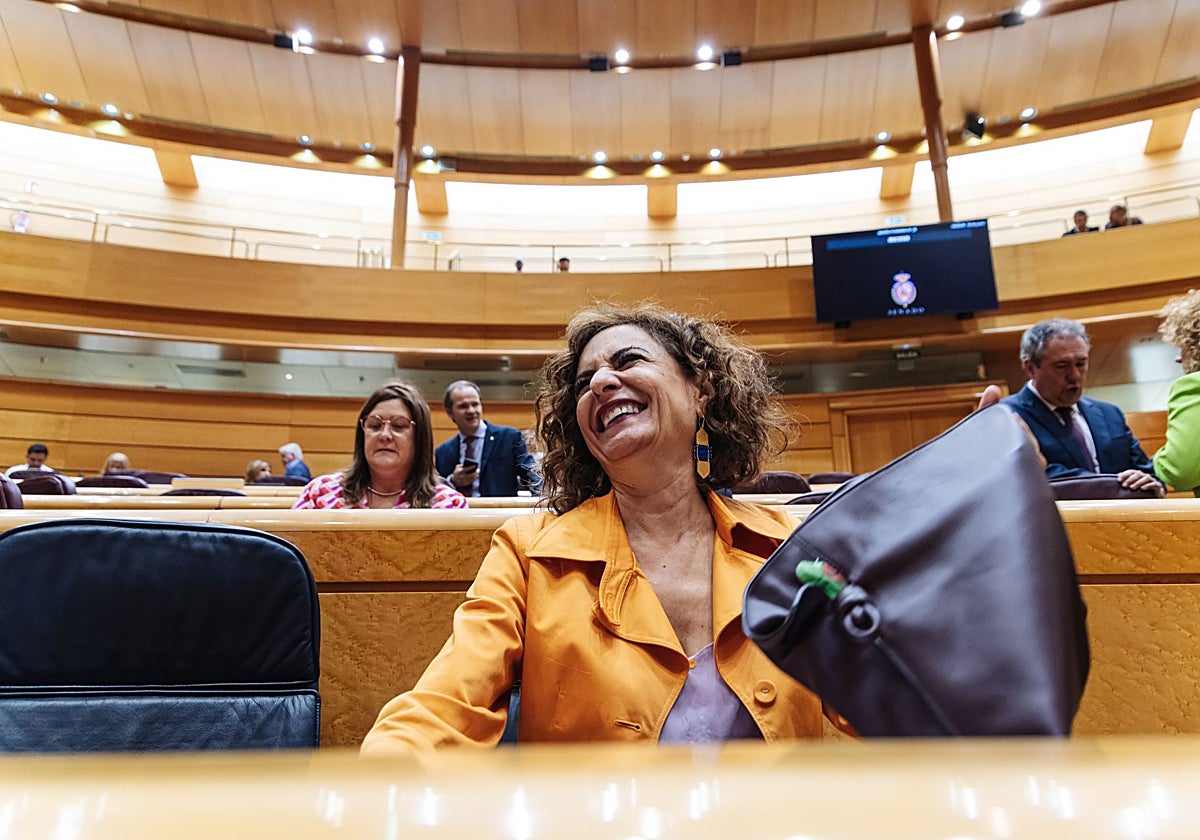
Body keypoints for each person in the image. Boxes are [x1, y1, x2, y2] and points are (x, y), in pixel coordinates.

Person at [362, 303, 825, 754]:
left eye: (628, 361)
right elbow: (444, 706)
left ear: (700, 389)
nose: (601, 383)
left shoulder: (788, 544)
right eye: (585, 383)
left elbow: (883, 699)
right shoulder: (528, 552)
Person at [1002, 318, 1161, 493]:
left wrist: (1150, 483)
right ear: (1030, 368)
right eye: (1062, 366)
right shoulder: (1008, 417)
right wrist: (1117, 486)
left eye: (1081, 363)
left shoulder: (1110, 414)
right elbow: (1042, 478)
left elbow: (1147, 473)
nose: (1075, 375)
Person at [294, 380, 466, 510]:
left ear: (419, 438)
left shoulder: (448, 505)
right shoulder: (320, 492)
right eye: (375, 426)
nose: (384, 435)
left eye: (398, 426)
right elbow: (289, 556)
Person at [435, 380, 540, 497]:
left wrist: (542, 503)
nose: (471, 411)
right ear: (450, 413)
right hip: (459, 512)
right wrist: (453, 481)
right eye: (463, 406)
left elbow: (531, 475)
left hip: (499, 512)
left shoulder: (509, 438)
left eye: (475, 404)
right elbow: (437, 492)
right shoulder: (442, 452)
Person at [1152, 290, 1200, 495]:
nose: (1179, 358)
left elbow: (1180, 470)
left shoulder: (1194, 387)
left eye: (1184, 347)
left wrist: (1156, 462)